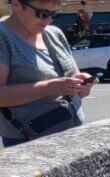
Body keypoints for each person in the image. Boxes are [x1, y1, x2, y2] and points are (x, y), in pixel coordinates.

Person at [1, 0, 93, 147]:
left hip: (73, 132)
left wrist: (82, 85)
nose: (49, 20)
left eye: (54, 14)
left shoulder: (55, 34)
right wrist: (51, 87)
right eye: (42, 14)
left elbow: (75, 81)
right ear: (16, 3)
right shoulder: (3, 36)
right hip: (29, 142)